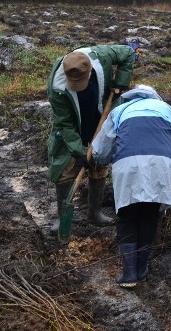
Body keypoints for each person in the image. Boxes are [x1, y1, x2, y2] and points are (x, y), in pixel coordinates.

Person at [91, 85, 171, 288]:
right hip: (161, 163)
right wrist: (166, 152)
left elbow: (100, 152)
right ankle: (142, 269)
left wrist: (102, 156)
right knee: (149, 214)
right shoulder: (166, 109)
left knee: (127, 214)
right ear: (154, 96)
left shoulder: (119, 111)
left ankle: (129, 274)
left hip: (126, 164)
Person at [46, 45, 136, 235]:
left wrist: (121, 83)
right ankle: (62, 217)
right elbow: (65, 124)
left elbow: (128, 54)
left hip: (99, 116)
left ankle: (94, 213)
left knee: (100, 163)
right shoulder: (57, 87)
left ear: (90, 71)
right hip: (74, 125)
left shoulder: (101, 57)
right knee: (65, 168)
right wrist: (79, 152)